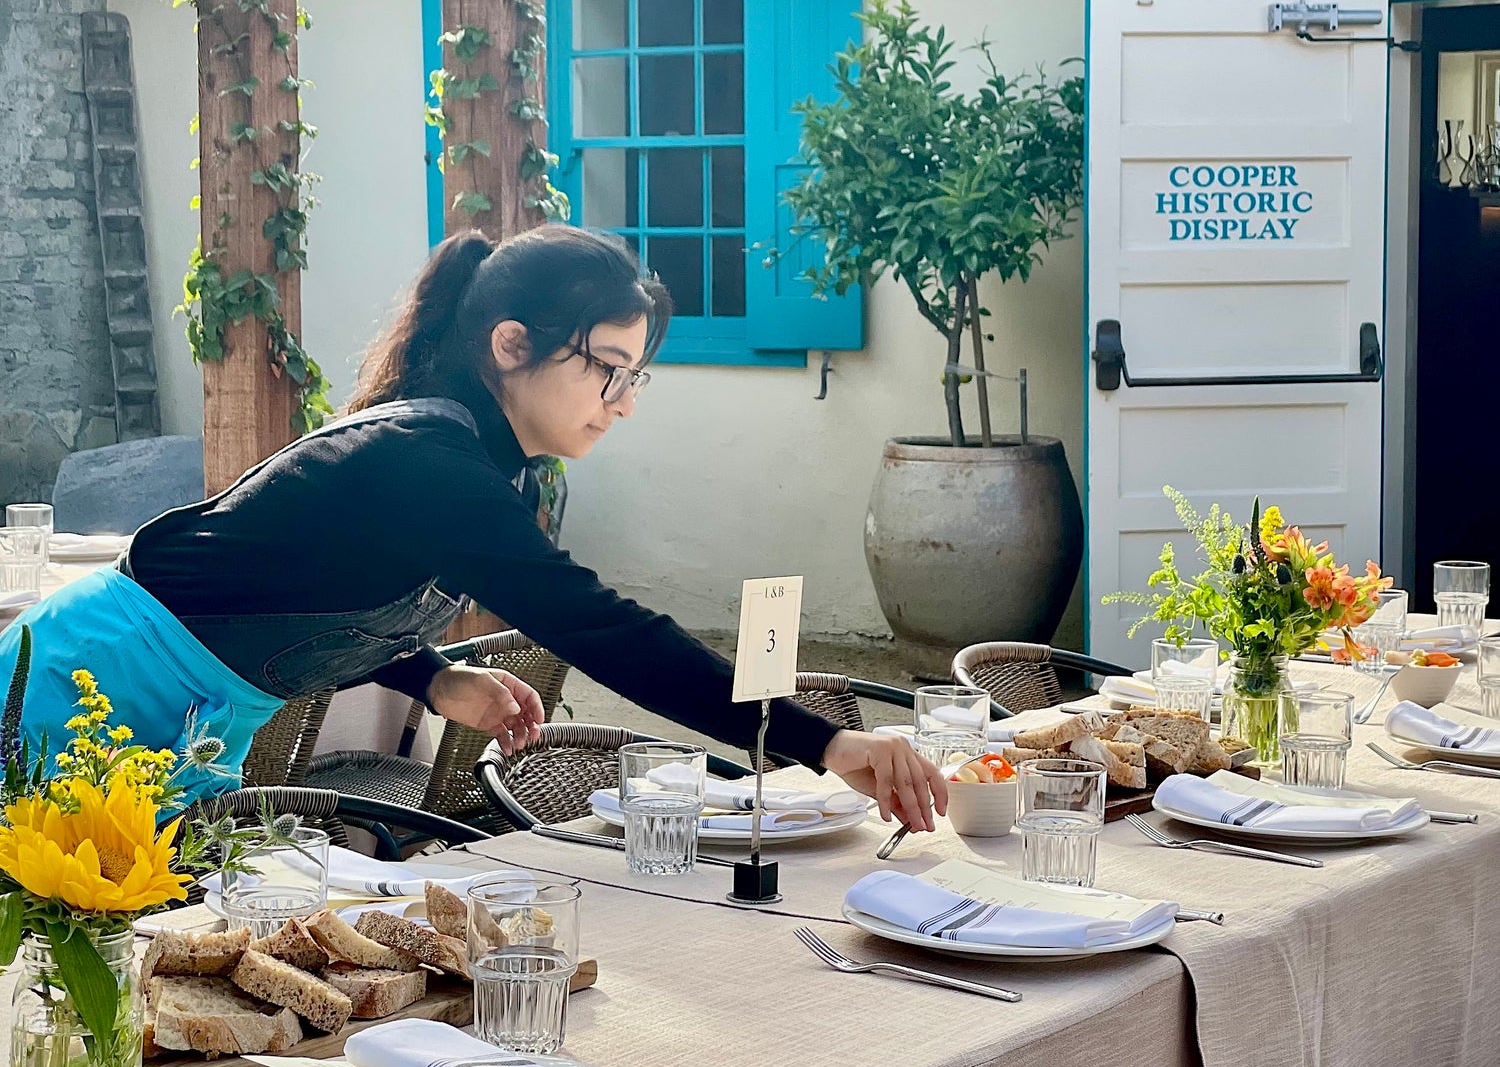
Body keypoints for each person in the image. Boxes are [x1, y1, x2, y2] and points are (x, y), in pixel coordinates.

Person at [0, 226, 945, 827]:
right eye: (605, 368)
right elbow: (600, 627)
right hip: (81, 688)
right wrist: (823, 742)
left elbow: (306, 583)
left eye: (635, 377)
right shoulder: (426, 458)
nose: (621, 402)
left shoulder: (471, 461)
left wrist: (432, 675)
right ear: (510, 346)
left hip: (191, 728)